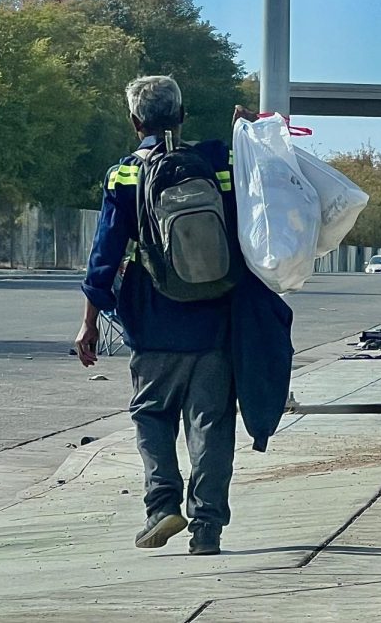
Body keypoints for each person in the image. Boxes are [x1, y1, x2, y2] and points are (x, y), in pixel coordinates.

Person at [74, 75, 253, 557]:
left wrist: (90, 320)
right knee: (210, 424)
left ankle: (162, 506)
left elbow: (104, 256)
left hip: (152, 322)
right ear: (182, 115)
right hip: (215, 319)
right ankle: (208, 527)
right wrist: (248, 137)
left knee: (152, 416)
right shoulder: (218, 163)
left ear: (135, 122)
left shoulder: (124, 175)